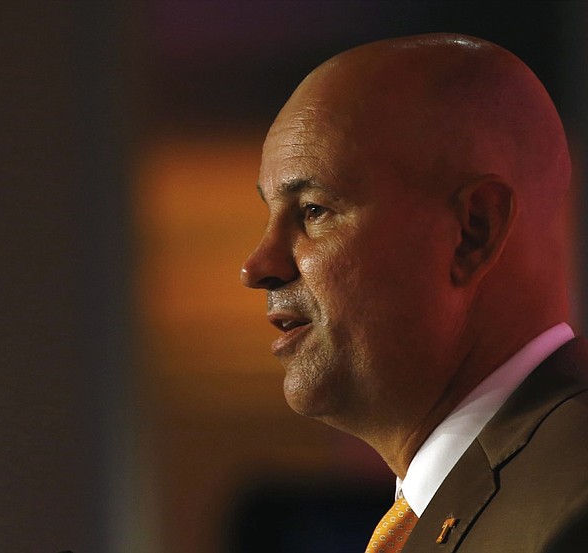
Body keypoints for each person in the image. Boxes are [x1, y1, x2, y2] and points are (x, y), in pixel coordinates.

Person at [240, 33, 588, 552]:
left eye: (314, 211)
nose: (257, 267)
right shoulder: (467, 503)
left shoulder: (570, 508)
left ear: (472, 231)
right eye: (270, 214)